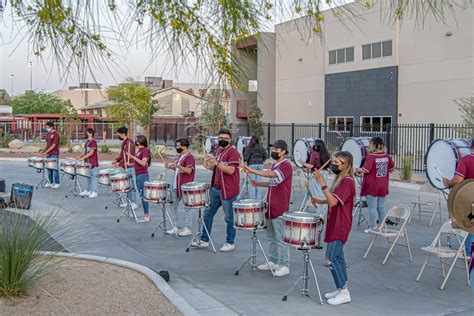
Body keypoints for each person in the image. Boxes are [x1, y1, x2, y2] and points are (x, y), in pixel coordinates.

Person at [243, 140, 293, 277]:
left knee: (280, 237)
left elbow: (272, 175)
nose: (274, 151)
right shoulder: (276, 165)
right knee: (271, 236)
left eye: (277, 149)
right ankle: (273, 260)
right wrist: (258, 183)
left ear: (283, 151)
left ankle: (284, 264)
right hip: (270, 206)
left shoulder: (286, 166)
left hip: (280, 206)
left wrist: (251, 170)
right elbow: (272, 182)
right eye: (274, 149)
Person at [312, 151, 355, 306]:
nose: (334, 164)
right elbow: (332, 199)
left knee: (331, 258)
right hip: (335, 222)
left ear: (346, 165)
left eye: (338, 162)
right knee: (338, 257)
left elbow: (333, 202)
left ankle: (344, 292)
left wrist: (322, 183)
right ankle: (341, 288)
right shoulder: (340, 179)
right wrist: (320, 200)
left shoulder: (348, 182)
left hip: (340, 224)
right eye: (334, 161)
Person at [193, 128, 240, 252]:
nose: (223, 140)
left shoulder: (233, 152)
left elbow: (230, 170)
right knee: (208, 214)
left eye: (225, 138)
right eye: (221, 138)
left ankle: (230, 242)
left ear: (230, 140)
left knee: (229, 217)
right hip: (216, 188)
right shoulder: (219, 150)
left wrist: (216, 162)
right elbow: (216, 167)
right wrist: (208, 164)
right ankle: (204, 239)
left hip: (228, 190)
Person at [354, 137, 395, 233]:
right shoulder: (387, 156)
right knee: (381, 207)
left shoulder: (372, 157)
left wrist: (355, 168)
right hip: (383, 185)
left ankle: (373, 227)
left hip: (372, 185)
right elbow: (392, 169)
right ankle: (382, 226)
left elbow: (365, 170)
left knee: (372, 207)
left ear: (373, 145)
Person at [443, 138, 474, 257]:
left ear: (470, 147)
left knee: (470, 224)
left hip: (470, 199)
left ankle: (468, 255)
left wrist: (447, 183)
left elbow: (457, 180)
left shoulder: (466, 160)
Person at [166, 138, 196, 236]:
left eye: (179, 146)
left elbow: (188, 170)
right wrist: (171, 167)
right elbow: (179, 170)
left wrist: (177, 166)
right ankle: (176, 226)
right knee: (172, 206)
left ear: (185, 146)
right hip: (176, 185)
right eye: (176, 146)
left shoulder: (189, 157)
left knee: (187, 207)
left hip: (185, 186)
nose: (177, 148)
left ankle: (188, 228)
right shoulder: (181, 156)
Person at [112, 126, 138, 210]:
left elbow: (128, 157)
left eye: (119, 134)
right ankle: (129, 201)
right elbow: (122, 155)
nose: (118, 136)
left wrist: (120, 164)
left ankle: (133, 202)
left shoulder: (129, 143)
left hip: (130, 167)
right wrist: (116, 160)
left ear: (123, 134)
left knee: (132, 185)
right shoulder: (124, 143)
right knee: (127, 185)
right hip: (125, 166)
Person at [127, 135, 151, 222]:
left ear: (140, 141)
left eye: (136, 140)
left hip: (143, 175)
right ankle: (145, 214)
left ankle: (146, 215)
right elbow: (138, 163)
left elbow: (144, 163)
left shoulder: (145, 150)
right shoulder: (139, 150)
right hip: (138, 174)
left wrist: (133, 157)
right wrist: (130, 164)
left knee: (143, 195)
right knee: (141, 195)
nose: (135, 141)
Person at [303, 139, 331, 213]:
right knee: (323, 193)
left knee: (317, 194)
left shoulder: (314, 153)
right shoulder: (326, 153)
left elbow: (311, 166)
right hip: (325, 173)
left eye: (313, 144)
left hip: (316, 174)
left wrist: (304, 164)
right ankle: (323, 213)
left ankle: (319, 214)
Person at [76, 128, 99, 198]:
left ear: (90, 133)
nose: (85, 134)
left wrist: (83, 158)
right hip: (87, 162)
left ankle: (94, 192)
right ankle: (88, 190)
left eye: (86, 133)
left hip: (92, 162)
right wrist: (79, 156)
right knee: (88, 176)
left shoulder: (93, 142)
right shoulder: (87, 141)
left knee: (93, 177)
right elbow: (85, 151)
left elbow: (91, 152)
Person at [243, 136, 267, 200]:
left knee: (252, 183)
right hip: (260, 164)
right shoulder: (261, 147)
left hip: (252, 164)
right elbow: (265, 155)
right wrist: (262, 160)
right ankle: (258, 199)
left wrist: (245, 162)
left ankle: (252, 199)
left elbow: (246, 157)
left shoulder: (249, 147)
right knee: (259, 182)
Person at [40, 121, 60, 189]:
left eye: (48, 127)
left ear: (52, 127)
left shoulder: (56, 134)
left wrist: (47, 151)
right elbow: (47, 144)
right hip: (48, 154)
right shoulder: (48, 134)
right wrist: (44, 150)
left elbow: (54, 145)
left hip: (54, 154)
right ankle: (50, 182)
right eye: (46, 127)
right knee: (49, 168)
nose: (47, 128)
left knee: (54, 168)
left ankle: (57, 183)